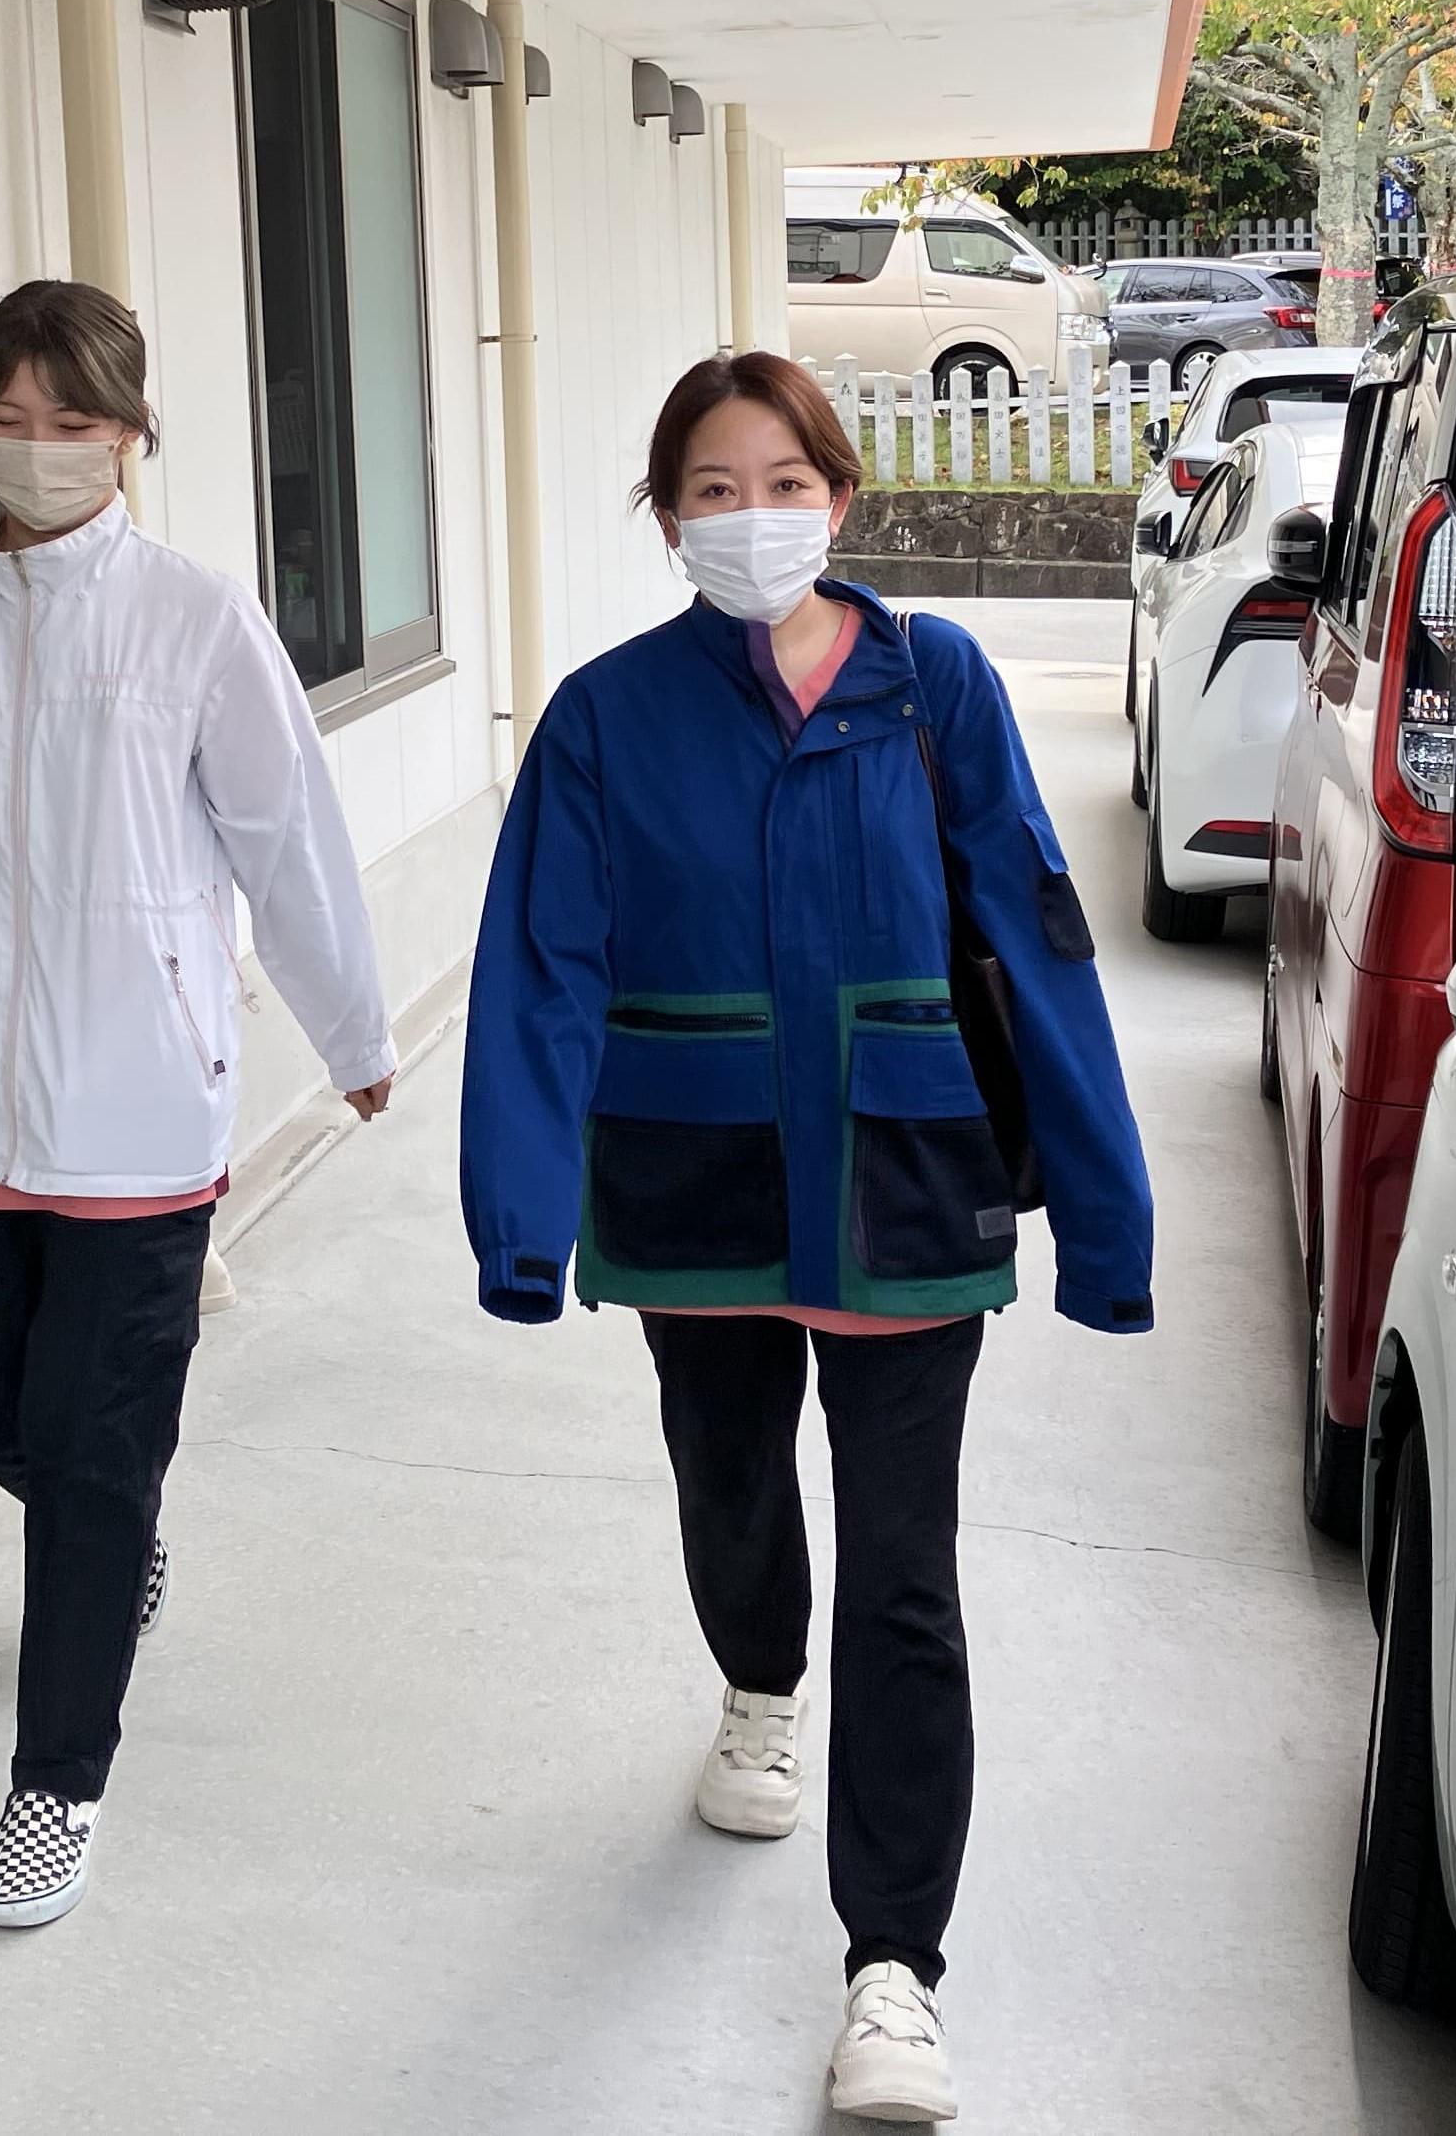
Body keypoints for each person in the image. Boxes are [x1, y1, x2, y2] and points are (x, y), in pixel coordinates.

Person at [457, 350, 1155, 2122]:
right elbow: (542, 970)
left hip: (903, 1182)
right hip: (695, 1186)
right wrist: (522, 1216)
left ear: (839, 500)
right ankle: (760, 1679)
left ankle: (893, 1968)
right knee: (732, 1493)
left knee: (906, 1575)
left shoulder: (938, 684)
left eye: (784, 483)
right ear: (667, 517)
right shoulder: (606, 717)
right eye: (712, 488)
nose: (751, 515)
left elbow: (1036, 935)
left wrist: (1109, 1215)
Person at [0, 280, 397, 1929]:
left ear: (131, 435)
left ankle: (54, 1785)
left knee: (93, 1443)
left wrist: (350, 1026)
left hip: (136, 1116)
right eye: (10, 417)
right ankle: (110, 1529)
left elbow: (286, 838)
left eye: (76, 422)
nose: (40, 449)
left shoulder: (194, 618)